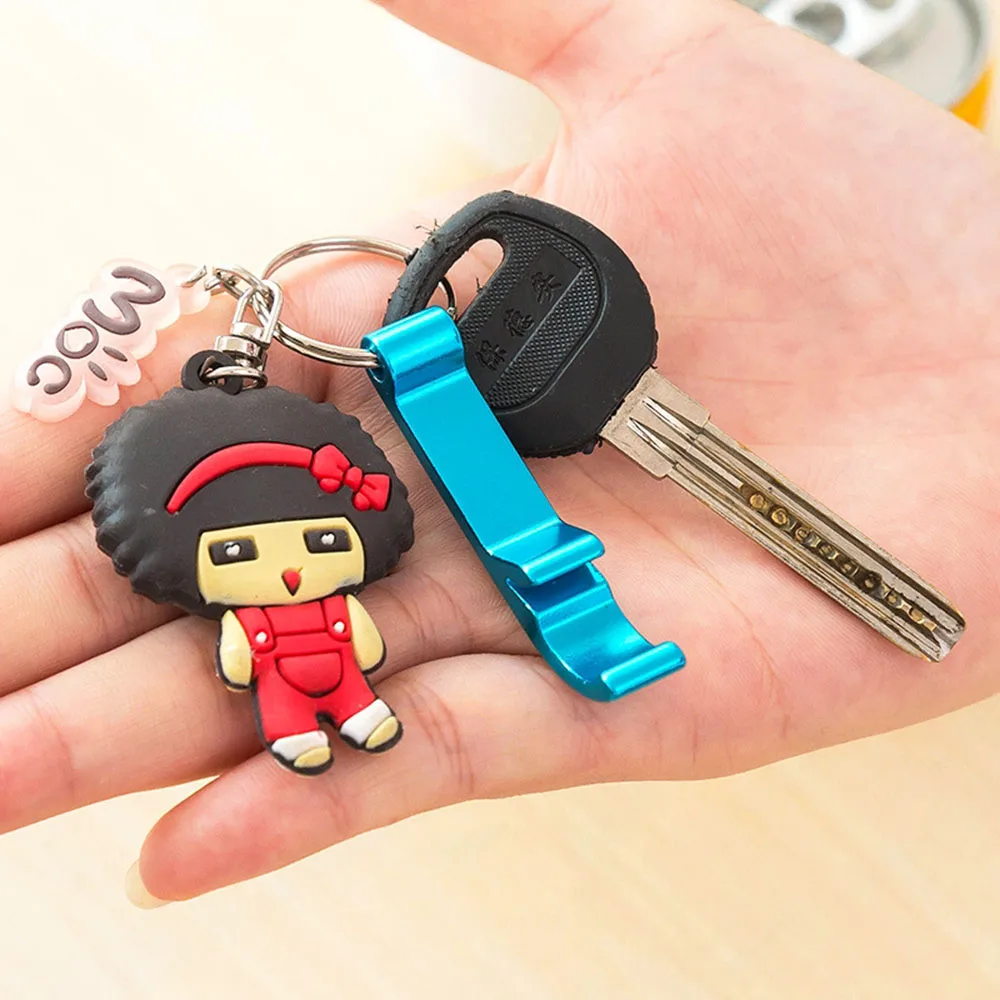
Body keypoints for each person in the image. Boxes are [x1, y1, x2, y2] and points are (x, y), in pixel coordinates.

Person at [0, 0, 995, 907]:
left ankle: (345, 714)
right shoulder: (366, 435)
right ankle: (319, 721)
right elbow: (262, 645)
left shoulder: (428, 387)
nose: (292, 562)